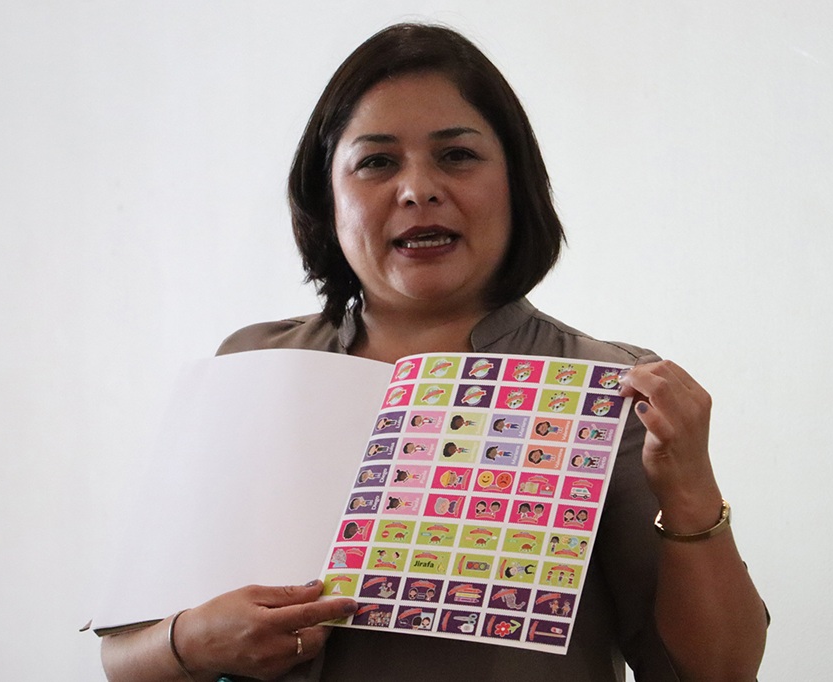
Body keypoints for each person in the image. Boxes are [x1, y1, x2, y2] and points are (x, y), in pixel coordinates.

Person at [101, 22, 766, 682]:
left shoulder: (606, 388)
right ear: (326, 195)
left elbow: (719, 673)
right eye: (377, 162)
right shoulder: (251, 366)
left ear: (516, 183)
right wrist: (189, 641)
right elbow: (124, 657)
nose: (418, 188)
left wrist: (690, 489)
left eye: (456, 156)